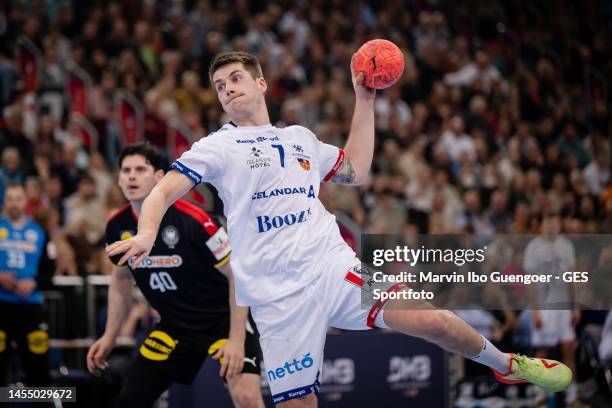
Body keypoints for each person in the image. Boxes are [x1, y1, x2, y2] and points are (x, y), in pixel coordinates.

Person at [107, 52, 573, 407]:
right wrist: (147, 233)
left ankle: (508, 365)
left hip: (330, 268)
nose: (227, 89)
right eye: (219, 85)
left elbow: (356, 168)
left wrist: (365, 98)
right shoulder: (217, 147)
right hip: (276, 301)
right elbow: (162, 191)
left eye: (236, 79)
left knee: (430, 318)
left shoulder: (300, 139)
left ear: (261, 83)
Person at [88, 143, 264, 408]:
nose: (131, 176)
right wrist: (110, 335)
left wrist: (236, 340)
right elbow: (121, 280)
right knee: (129, 401)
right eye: (125, 171)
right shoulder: (117, 226)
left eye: (140, 169)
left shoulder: (196, 220)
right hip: (175, 328)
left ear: (160, 177)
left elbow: (237, 276)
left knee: (247, 398)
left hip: (224, 322)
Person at [523, 211, 580, 406]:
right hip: (544, 305)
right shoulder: (533, 247)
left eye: (555, 221)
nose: (551, 224)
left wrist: (576, 307)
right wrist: (535, 310)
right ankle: (540, 396)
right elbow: (530, 282)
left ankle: (572, 396)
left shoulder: (567, 245)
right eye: (548, 220)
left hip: (563, 306)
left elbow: (572, 278)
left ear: (559, 224)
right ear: (542, 224)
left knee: (568, 349)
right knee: (542, 352)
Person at [0, 182, 53, 386]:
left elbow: (50, 273)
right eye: (10, 199)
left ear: (26, 201)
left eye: (18, 199)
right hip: (2, 306)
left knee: (38, 367)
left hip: (30, 307)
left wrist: (33, 282)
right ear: (5, 201)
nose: (14, 203)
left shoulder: (39, 232)